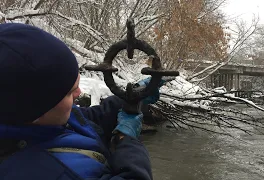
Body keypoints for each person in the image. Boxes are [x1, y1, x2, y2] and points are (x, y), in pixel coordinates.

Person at [0, 23, 158, 180]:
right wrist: (127, 140)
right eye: (69, 92)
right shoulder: (39, 173)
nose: (79, 92)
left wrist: (131, 96)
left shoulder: (48, 119)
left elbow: (88, 119)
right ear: (35, 110)